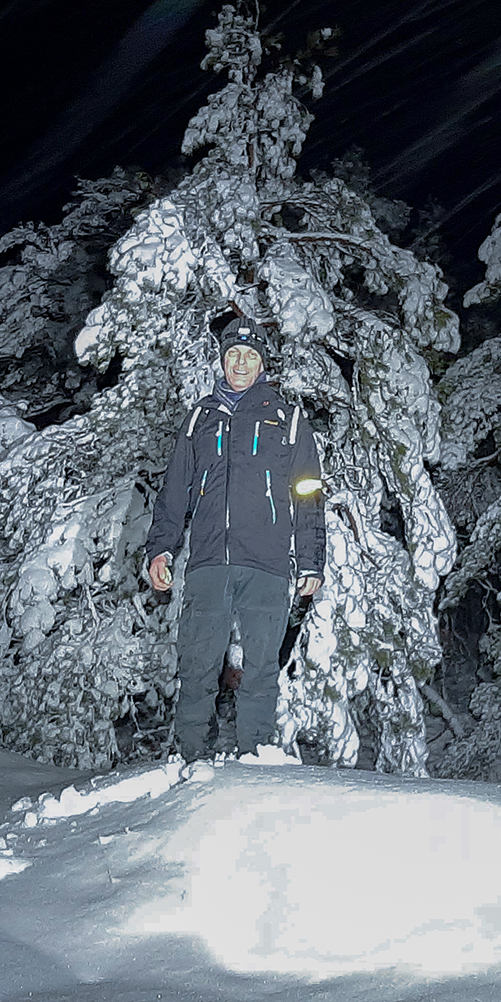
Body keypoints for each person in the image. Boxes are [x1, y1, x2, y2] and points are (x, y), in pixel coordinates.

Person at [145, 316, 324, 758]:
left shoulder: (287, 419)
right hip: (208, 563)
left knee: (261, 670)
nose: (241, 363)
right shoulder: (200, 418)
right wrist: (160, 549)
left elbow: (308, 493)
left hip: (267, 565)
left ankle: (256, 762)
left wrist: (311, 560)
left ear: (262, 364)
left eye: (250, 355)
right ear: (222, 360)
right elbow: (174, 489)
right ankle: (191, 761)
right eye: (233, 355)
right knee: (197, 667)